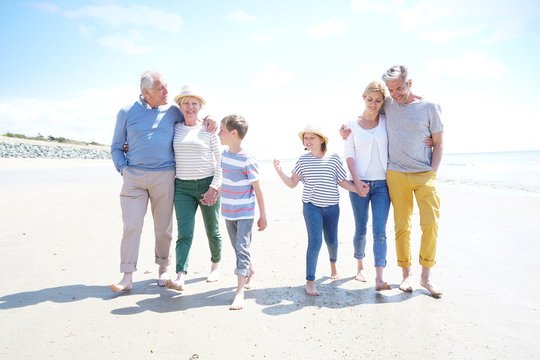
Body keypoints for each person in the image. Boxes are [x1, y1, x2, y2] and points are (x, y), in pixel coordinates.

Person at [341, 65, 444, 296]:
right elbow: (367, 112)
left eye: (399, 88)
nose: (395, 94)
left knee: (431, 224)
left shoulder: (430, 107)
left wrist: (432, 172)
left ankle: (426, 277)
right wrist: (345, 130)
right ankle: (406, 275)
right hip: (395, 174)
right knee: (401, 227)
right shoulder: (388, 104)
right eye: (391, 90)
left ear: (410, 83)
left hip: (423, 173)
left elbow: (439, 143)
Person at [110, 71, 215, 292]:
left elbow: (192, 117)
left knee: (163, 228)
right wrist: (123, 169)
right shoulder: (127, 112)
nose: (167, 92)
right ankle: (127, 277)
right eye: (161, 89)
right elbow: (117, 147)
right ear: (146, 92)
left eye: (167, 87)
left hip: (165, 176)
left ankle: (163, 269)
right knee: (132, 226)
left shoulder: (173, 111)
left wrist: (210, 119)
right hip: (134, 177)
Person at [274, 124, 369, 296]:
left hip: (332, 207)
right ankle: (310, 282)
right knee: (315, 242)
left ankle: (333, 265)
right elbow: (292, 183)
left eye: (312, 137)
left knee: (332, 241)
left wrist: (358, 189)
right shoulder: (303, 160)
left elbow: (342, 181)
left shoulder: (333, 158)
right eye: (306, 138)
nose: (308, 141)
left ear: (322, 140)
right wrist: (280, 172)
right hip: (311, 207)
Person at [166, 85, 222, 292]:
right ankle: (180, 275)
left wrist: (214, 187)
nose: (190, 107)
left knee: (212, 229)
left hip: (208, 184)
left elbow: (220, 162)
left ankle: (215, 266)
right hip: (182, 187)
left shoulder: (208, 129)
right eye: (186, 103)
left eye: (194, 103)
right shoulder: (174, 128)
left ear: (200, 107)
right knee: (184, 232)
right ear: (179, 106)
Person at [344, 81, 392, 291]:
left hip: (383, 184)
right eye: (370, 99)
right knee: (361, 228)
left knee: (380, 231)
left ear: (383, 102)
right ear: (363, 98)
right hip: (359, 183)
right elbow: (349, 154)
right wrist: (356, 182)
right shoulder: (351, 125)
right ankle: (360, 266)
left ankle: (380, 277)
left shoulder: (387, 121)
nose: (373, 103)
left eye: (378, 100)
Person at [218, 114, 267, 310]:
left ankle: (239, 292)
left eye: (222, 130)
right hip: (228, 211)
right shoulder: (224, 155)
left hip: (245, 212)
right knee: (237, 248)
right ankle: (250, 271)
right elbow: (227, 181)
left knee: (242, 247)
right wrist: (215, 193)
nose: (219, 133)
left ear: (233, 133)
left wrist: (263, 215)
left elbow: (258, 189)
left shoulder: (248, 159)